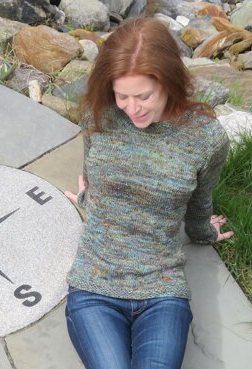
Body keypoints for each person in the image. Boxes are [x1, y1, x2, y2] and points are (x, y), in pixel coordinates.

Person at [63, 17, 234, 369]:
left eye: (144, 96)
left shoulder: (205, 138)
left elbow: (199, 203)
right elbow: (94, 177)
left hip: (162, 291)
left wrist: (204, 231)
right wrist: (86, 198)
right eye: (121, 95)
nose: (132, 108)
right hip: (95, 284)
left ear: (169, 81)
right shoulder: (100, 116)